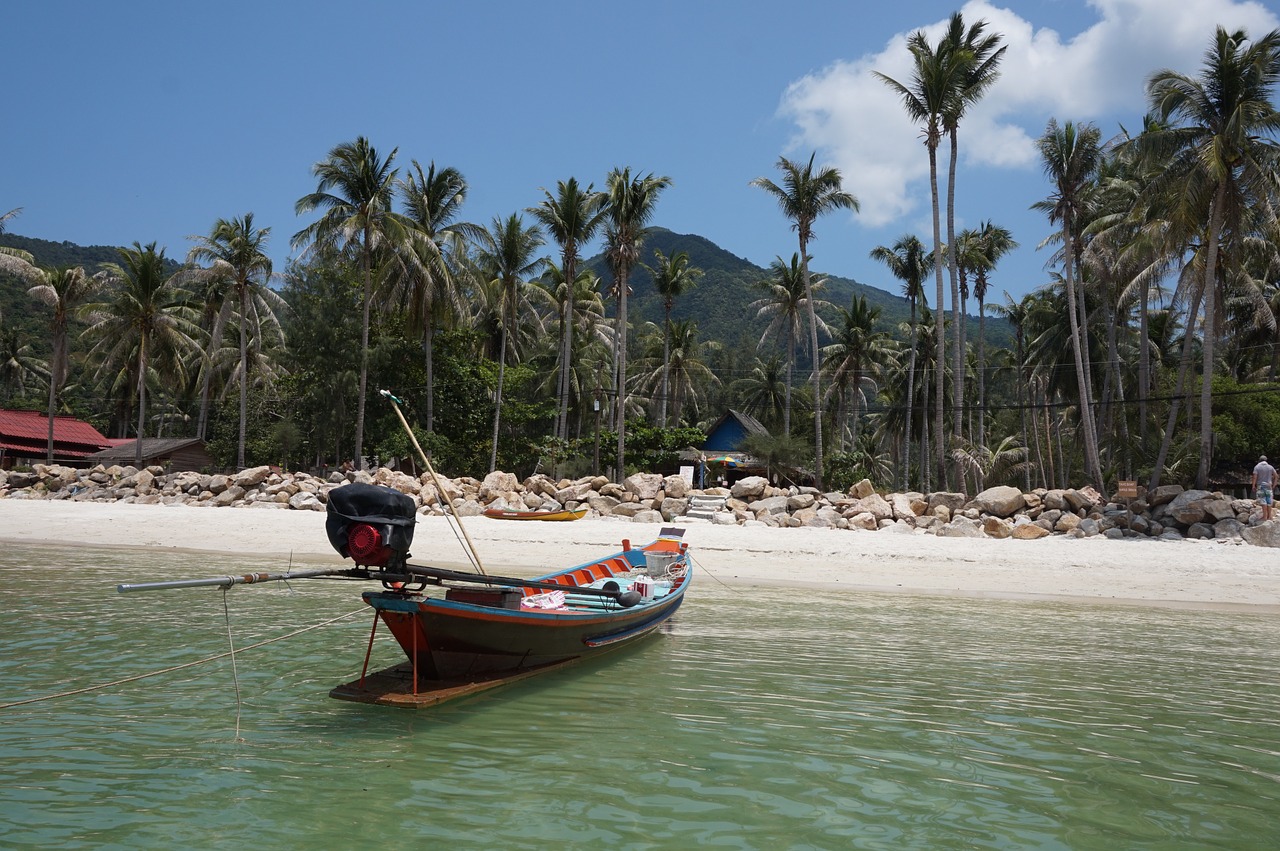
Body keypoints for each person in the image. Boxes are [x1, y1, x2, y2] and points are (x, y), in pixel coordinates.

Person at [1252, 454, 1276, 521]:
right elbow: (1276, 476)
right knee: (1269, 501)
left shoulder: (1257, 467)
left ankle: (1265, 517)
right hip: (1269, 486)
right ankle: (1270, 516)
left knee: (1263, 501)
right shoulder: (1270, 467)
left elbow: (1255, 477)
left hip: (1261, 486)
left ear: (1259, 460)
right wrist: (1274, 484)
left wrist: (1253, 485)